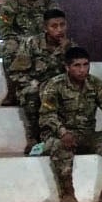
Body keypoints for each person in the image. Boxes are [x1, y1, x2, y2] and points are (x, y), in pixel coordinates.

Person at [39, 47, 102, 202]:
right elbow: (47, 115)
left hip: (87, 135)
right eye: (76, 65)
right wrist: (63, 132)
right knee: (61, 146)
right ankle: (67, 193)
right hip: (59, 136)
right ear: (67, 67)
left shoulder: (95, 84)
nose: (82, 70)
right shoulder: (55, 85)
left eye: (85, 64)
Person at [9, 9, 72, 154]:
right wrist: (32, 83)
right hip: (35, 85)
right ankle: (33, 137)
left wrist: (65, 52)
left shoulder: (70, 46)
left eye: (62, 25)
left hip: (58, 88)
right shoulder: (31, 44)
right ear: (45, 28)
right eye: (54, 26)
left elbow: (77, 73)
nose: (59, 30)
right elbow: (16, 72)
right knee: (32, 93)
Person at [0, 0, 59, 106]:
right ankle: (12, 92)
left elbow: (57, 26)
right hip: (20, 42)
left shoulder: (49, 3)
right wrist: (24, 41)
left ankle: (54, 92)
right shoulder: (11, 3)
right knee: (8, 47)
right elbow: (3, 30)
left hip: (43, 41)